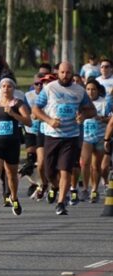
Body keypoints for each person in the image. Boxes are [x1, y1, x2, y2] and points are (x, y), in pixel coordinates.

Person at [31, 61, 96, 215]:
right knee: (49, 172)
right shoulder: (50, 88)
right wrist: (49, 120)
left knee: (66, 169)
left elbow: (91, 110)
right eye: (62, 72)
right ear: (58, 72)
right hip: (52, 136)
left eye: (68, 72)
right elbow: (35, 108)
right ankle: (56, 187)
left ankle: (61, 203)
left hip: (71, 136)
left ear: (72, 73)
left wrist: (83, 116)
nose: (65, 75)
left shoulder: (79, 91)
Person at [0, 78, 31, 218]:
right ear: (0, 88)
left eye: (9, 86)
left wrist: (13, 114)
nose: (6, 89)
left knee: (11, 175)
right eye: (3, 86)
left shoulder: (18, 104)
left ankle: (14, 197)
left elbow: (28, 121)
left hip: (12, 143)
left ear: (14, 89)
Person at [79, 79, 110, 204]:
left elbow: (110, 120)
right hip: (86, 137)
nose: (90, 92)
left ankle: (95, 190)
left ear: (98, 90)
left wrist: (102, 118)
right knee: (85, 162)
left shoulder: (104, 103)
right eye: (88, 89)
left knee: (96, 165)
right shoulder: (82, 102)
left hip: (100, 136)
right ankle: (85, 188)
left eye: (93, 89)